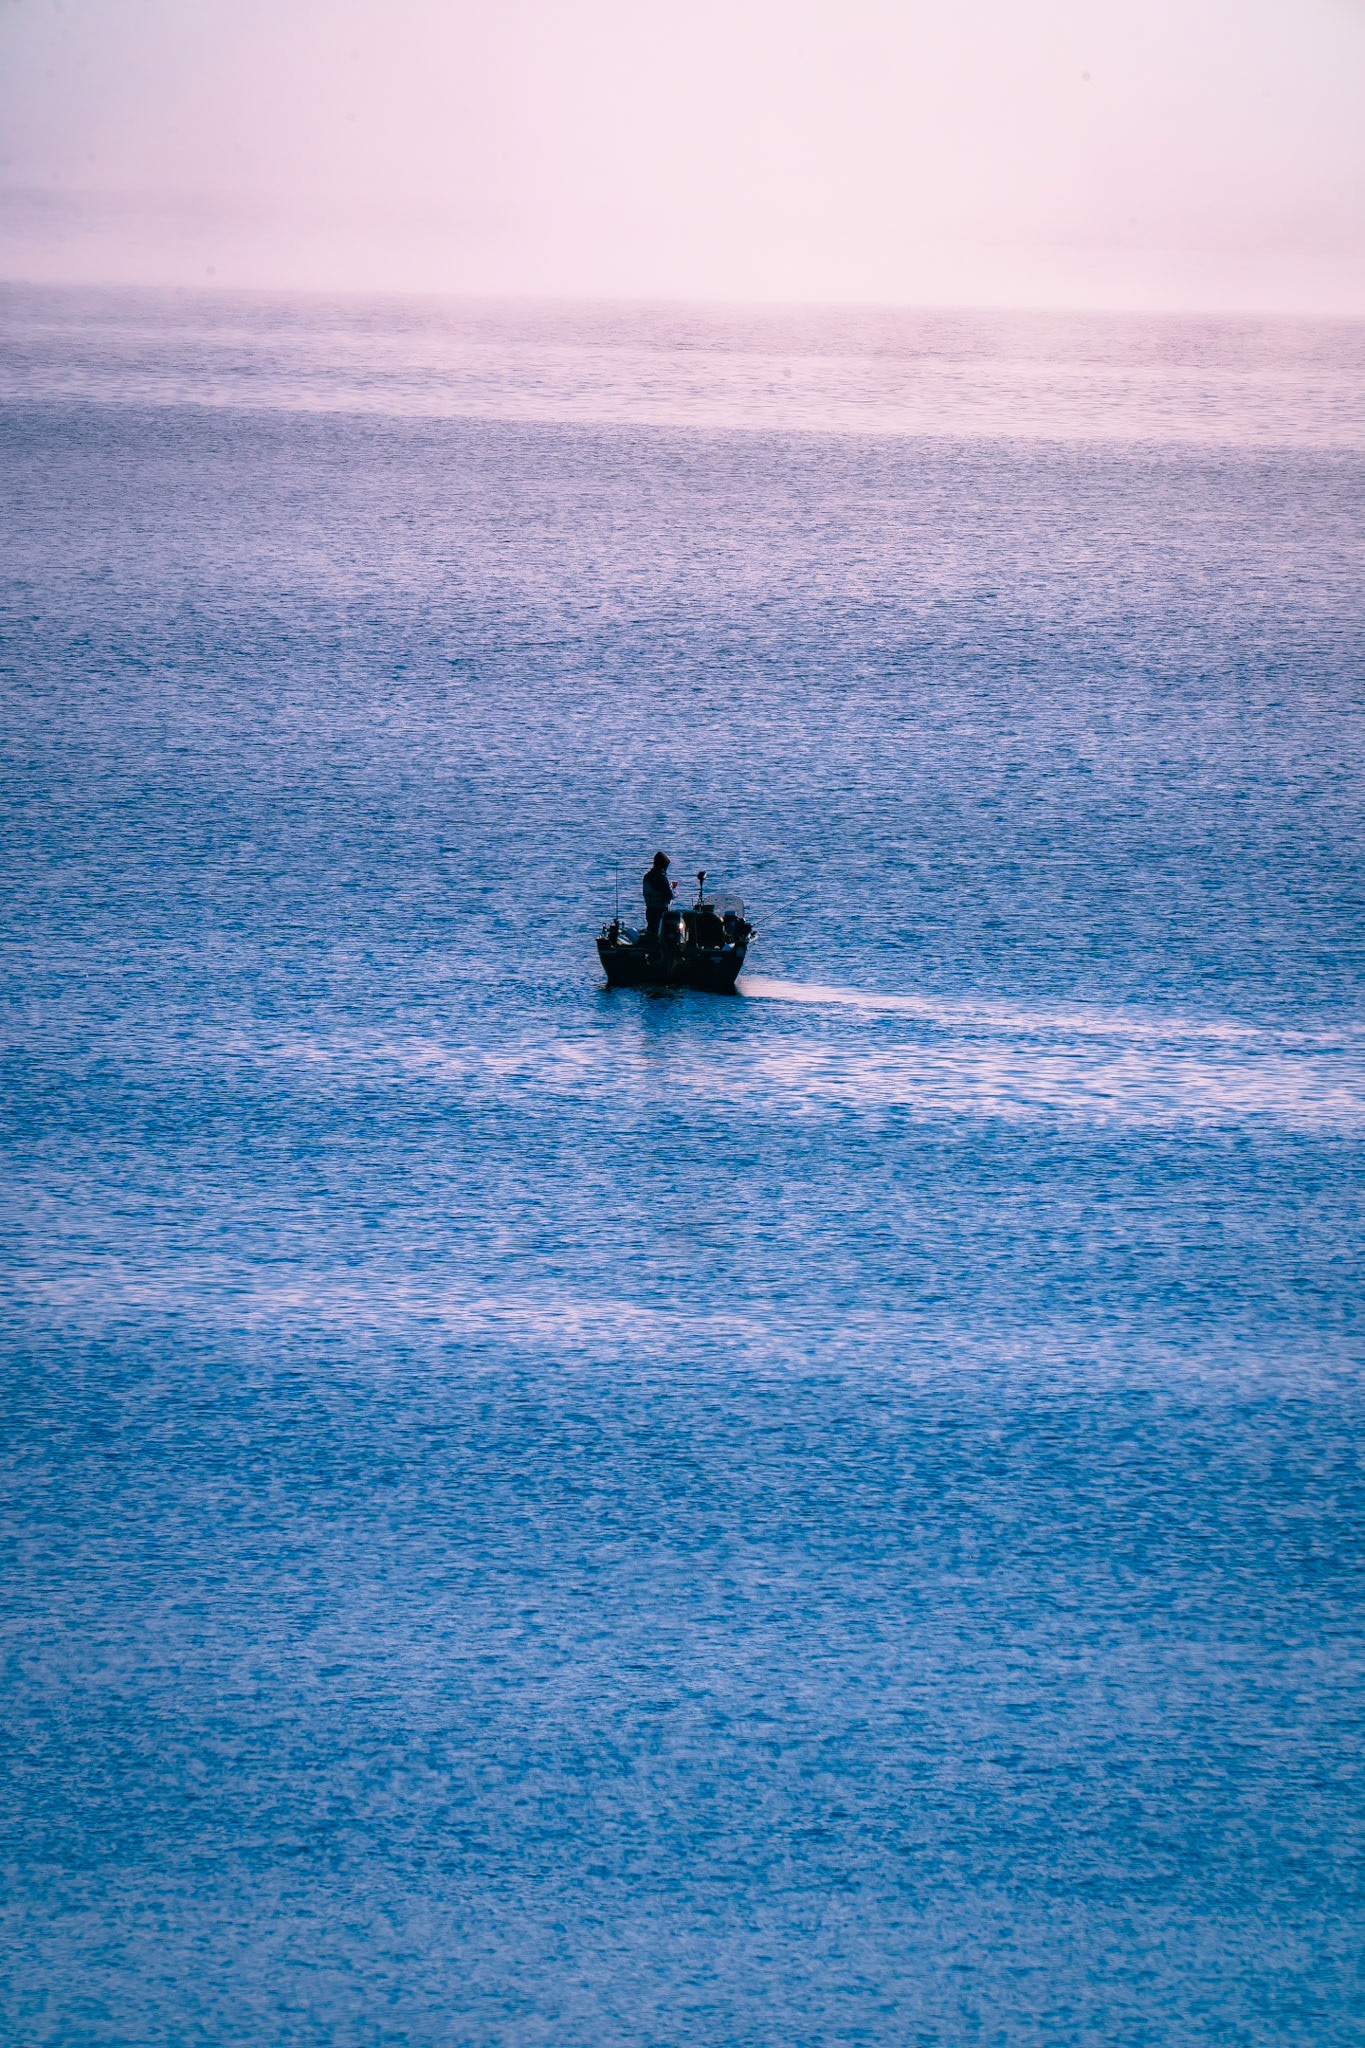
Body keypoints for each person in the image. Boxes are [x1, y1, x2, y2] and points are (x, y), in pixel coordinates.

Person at [642, 851, 675, 944]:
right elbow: (669, 895)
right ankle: (661, 955)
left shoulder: (647, 876)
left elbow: (656, 889)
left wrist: (670, 885)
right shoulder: (661, 876)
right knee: (662, 937)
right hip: (661, 912)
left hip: (650, 910)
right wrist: (675, 892)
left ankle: (651, 954)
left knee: (652, 933)